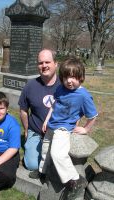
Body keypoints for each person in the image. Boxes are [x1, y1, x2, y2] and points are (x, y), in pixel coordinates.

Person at [38, 56, 98, 199]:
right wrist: (46, 120)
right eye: (66, 77)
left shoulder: (83, 95)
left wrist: (86, 129)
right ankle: (42, 171)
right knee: (45, 150)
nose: (69, 81)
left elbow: (93, 115)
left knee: (58, 154)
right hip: (52, 124)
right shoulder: (60, 89)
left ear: (81, 77)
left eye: (73, 77)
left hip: (64, 128)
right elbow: (54, 105)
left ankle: (75, 179)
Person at [18, 49, 60, 173]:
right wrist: (26, 130)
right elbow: (23, 110)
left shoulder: (65, 85)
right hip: (35, 131)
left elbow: (75, 110)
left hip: (57, 133)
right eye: (40, 63)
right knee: (32, 165)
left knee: (58, 163)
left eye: (47, 62)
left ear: (55, 63)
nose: (44, 66)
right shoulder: (30, 85)